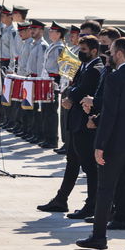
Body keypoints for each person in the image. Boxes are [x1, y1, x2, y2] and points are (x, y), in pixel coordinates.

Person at [76, 37, 125, 250]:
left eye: (110, 51)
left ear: (119, 53)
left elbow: (111, 114)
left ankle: (99, 237)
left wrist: (100, 144)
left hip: (117, 144)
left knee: (105, 190)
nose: (108, 55)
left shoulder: (115, 78)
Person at [39, 35, 103, 216]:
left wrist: (71, 96)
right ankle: (61, 199)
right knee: (72, 162)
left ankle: (92, 204)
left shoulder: (95, 69)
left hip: (85, 123)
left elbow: (83, 89)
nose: (81, 53)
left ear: (94, 51)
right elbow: (73, 86)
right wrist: (71, 93)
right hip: (76, 122)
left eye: (84, 50)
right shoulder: (84, 66)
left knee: (89, 166)